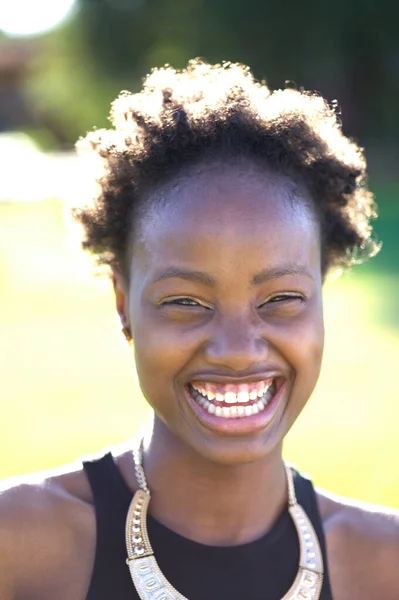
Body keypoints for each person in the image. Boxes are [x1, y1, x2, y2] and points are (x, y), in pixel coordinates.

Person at [1, 59, 398, 600]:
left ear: (321, 296)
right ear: (124, 303)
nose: (237, 350)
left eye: (281, 298)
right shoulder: (20, 546)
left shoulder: (383, 564)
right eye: (186, 301)